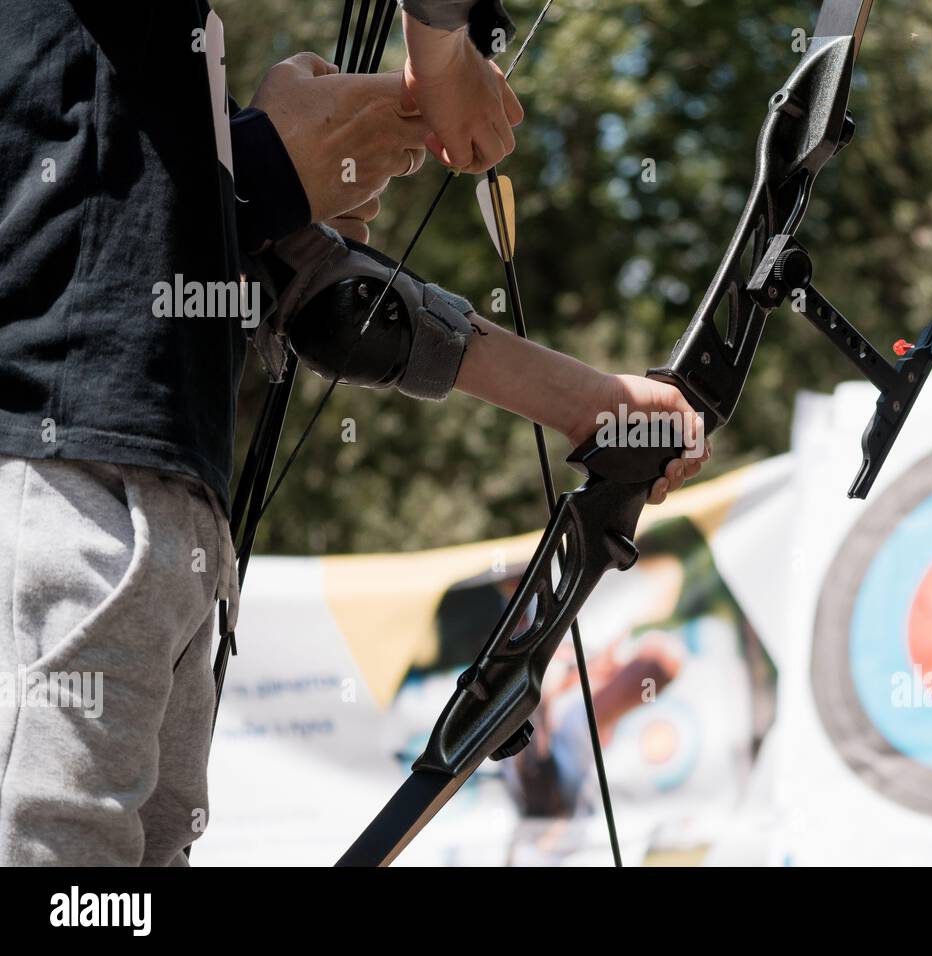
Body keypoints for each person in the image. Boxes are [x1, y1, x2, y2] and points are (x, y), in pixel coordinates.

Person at [0, 0, 704, 866]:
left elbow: (322, 299)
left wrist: (591, 402)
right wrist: (439, 58)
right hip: (61, 485)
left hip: (155, 511)